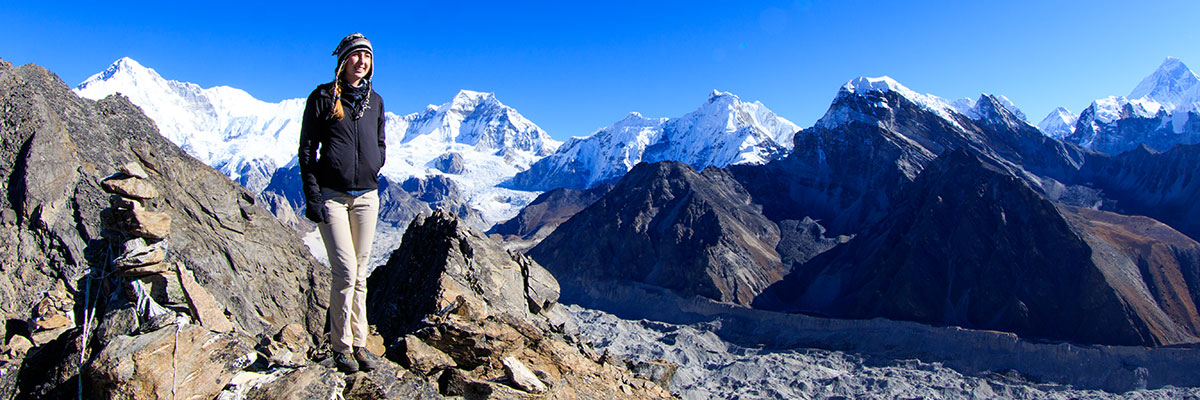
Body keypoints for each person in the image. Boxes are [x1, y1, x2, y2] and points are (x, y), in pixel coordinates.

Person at [298, 32, 386, 373]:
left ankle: (360, 344)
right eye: (356, 56)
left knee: (361, 274)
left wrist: (375, 164)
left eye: (367, 57)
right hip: (332, 196)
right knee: (346, 271)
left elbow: (380, 142)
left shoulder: (375, 101)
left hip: (367, 196)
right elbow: (307, 152)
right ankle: (341, 346)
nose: (362, 62)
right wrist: (313, 195)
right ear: (343, 60)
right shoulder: (322, 97)